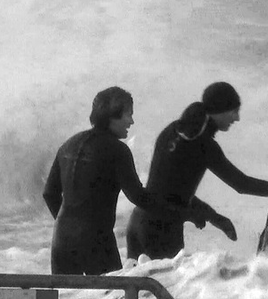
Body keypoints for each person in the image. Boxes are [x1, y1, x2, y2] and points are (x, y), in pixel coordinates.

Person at [43, 86, 206, 275]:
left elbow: (49, 193)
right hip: (96, 241)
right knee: (113, 298)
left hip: (62, 241)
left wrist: (69, 227)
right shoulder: (116, 150)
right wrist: (185, 214)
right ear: (113, 116)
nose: (131, 121)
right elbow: (139, 198)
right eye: (128, 115)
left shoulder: (68, 145)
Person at [126, 81, 268, 261]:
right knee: (161, 288)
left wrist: (214, 217)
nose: (237, 118)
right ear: (219, 110)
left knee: (133, 286)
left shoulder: (172, 130)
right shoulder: (204, 145)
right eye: (234, 111)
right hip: (161, 230)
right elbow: (241, 184)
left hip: (139, 222)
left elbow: (169, 188)